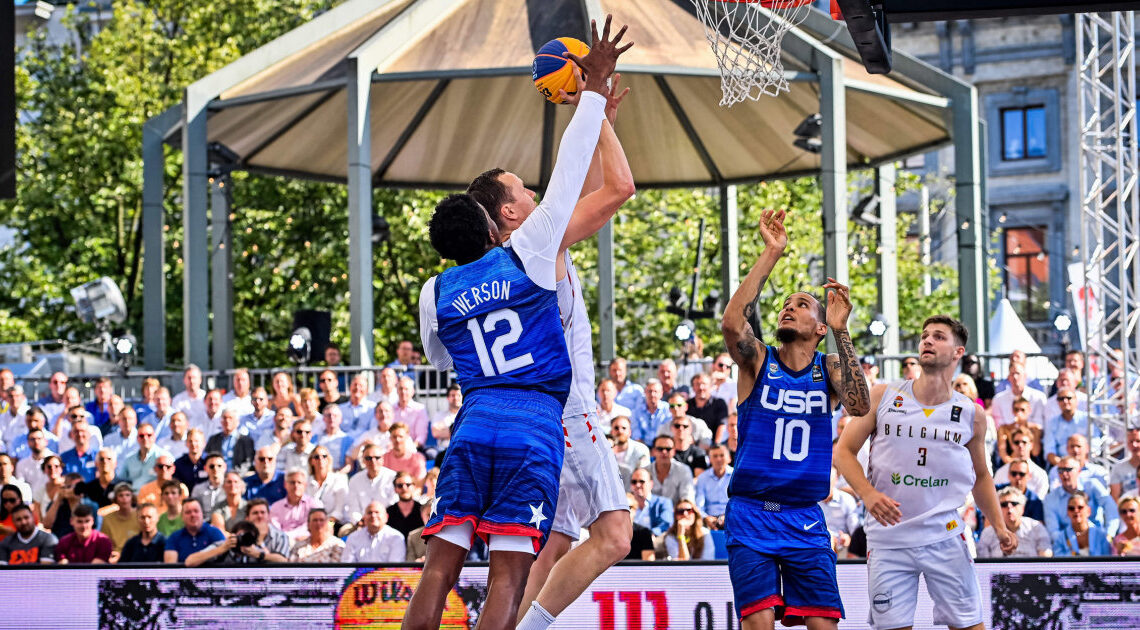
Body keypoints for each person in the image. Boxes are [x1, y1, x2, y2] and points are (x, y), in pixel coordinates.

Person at [406, 21, 626, 630]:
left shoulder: (435, 290)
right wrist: (594, 94)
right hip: (538, 418)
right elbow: (577, 173)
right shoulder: (529, 251)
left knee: (441, 566)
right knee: (517, 567)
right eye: (521, 191)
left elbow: (444, 358)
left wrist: (595, 105)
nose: (532, 193)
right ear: (498, 220)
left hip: (474, 421)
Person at [720, 208, 871, 630]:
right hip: (751, 512)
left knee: (824, 625)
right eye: (786, 305)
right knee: (759, 622)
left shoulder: (830, 367)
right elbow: (733, 323)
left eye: (802, 305)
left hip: (804, 515)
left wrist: (842, 329)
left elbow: (859, 407)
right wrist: (772, 253)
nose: (789, 308)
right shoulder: (758, 361)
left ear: (819, 327)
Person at [835, 315, 1015, 630]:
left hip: (943, 536)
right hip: (888, 539)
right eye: (924, 335)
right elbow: (843, 451)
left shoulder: (972, 414)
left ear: (958, 352)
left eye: (939, 337)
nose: (927, 341)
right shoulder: (883, 394)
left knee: (971, 626)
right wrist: (868, 493)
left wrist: (999, 527)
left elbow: (982, 476)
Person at [186, 499, 289, 565]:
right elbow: (190, 561)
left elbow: (284, 562)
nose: (259, 516)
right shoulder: (224, 545)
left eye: (263, 512)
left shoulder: (257, 549)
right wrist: (222, 549)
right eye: (240, 536)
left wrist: (258, 554)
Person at [1043, 455, 1116, 537]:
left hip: (1097, 539)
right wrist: (1070, 544)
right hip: (1068, 542)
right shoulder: (1050, 498)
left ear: (1079, 471)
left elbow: (1112, 511)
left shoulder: (1092, 485)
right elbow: (1053, 531)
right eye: (1060, 470)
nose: (1064, 473)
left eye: (1068, 469)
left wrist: (1109, 535)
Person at [977, 487, 1051, 558]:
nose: (1009, 507)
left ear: (1023, 508)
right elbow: (983, 563)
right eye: (1004, 504)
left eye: (1014, 503)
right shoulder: (988, 532)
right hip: (999, 570)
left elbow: (1046, 556)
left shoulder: (1036, 527)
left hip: (1030, 570)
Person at [1044, 388, 1100, 466]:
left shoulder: (1087, 419)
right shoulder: (1052, 423)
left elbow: (1095, 444)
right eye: (1061, 399)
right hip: (1061, 467)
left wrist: (1082, 463)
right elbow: (1049, 451)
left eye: (1069, 398)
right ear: (1057, 402)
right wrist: (1065, 466)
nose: (1065, 401)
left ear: (1076, 400)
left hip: (1087, 463)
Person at [344, 443, 397, 526]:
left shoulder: (393, 478)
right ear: (363, 460)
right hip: (362, 524)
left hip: (388, 523)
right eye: (368, 458)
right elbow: (353, 508)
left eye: (377, 457)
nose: (373, 461)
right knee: (344, 531)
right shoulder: (355, 480)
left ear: (382, 459)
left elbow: (394, 504)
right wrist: (360, 522)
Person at [164, 498, 226, 563]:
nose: (193, 515)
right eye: (188, 512)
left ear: (202, 514)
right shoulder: (174, 537)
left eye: (196, 511)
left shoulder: (215, 533)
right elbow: (170, 568)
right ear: (182, 516)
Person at [993, 429, 1049, 498]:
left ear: (1031, 445)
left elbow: (1039, 501)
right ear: (1012, 445)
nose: (1020, 445)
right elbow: (995, 498)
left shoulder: (1041, 474)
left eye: (1024, 442)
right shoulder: (1001, 472)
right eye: (1017, 442)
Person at [1053, 491, 1112, 556]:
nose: (1076, 511)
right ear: (1067, 512)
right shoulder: (1060, 539)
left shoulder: (1101, 536)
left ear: (1088, 511)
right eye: (1071, 508)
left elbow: (1107, 562)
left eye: (1080, 507)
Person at [269, 468, 321, 542]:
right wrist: (287, 538)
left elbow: (312, 526)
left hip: (307, 542)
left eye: (299, 482)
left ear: (305, 485)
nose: (296, 486)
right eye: (292, 482)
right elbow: (274, 529)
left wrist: (290, 536)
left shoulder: (314, 505)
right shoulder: (276, 506)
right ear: (285, 484)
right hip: (281, 542)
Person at [991, 362, 1048, 427]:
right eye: (1012, 374)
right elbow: (999, 428)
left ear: (1025, 376)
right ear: (1008, 377)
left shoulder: (1039, 397)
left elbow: (1040, 426)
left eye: (1018, 373)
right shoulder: (998, 400)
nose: (1015, 377)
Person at [118, 422, 167, 491]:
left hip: (154, 497)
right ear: (137, 438)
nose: (145, 438)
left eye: (149, 435)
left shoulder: (164, 457)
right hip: (133, 497)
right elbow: (121, 480)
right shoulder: (129, 459)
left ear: (154, 437)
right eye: (141, 436)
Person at [995, 397, 1043, 465]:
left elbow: (1035, 452)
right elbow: (1003, 454)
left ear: (1029, 410)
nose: (1019, 413)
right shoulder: (1004, 428)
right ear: (1012, 411)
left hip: (1031, 463)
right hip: (1010, 464)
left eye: (1022, 410)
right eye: (1016, 410)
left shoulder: (1035, 428)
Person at [306, 445, 348, 524]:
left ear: (329, 459)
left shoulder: (339, 479)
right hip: (311, 523)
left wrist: (328, 524)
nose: (320, 459)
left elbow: (339, 509)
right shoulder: (305, 482)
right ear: (311, 461)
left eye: (324, 456)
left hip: (334, 523)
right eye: (316, 457)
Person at [649, 436, 694, 508]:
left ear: (674, 451)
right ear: (653, 451)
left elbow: (687, 500)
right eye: (660, 449)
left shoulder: (684, 471)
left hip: (677, 514)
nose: (664, 452)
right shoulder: (644, 472)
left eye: (668, 449)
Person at [206, 408, 256, 473]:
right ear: (221, 421)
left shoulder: (246, 440)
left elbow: (248, 462)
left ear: (237, 422)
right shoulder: (213, 439)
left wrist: (235, 475)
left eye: (230, 418)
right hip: (217, 476)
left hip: (238, 477)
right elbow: (208, 458)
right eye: (224, 418)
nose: (227, 421)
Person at [695, 444, 732, 529]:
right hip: (708, 520)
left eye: (722, 455)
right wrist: (705, 518)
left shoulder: (736, 476)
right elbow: (699, 505)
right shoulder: (702, 478)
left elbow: (739, 502)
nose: (718, 459)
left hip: (732, 518)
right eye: (715, 456)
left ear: (729, 458)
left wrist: (728, 517)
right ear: (710, 459)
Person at [610, 415, 649, 490]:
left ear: (630, 432)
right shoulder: (604, 451)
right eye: (616, 428)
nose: (620, 431)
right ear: (611, 432)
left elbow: (642, 477)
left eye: (624, 428)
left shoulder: (641, 450)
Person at [688, 373, 729, 443]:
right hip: (693, 445)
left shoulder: (719, 403)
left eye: (704, 384)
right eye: (697, 384)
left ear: (710, 386)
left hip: (715, 443)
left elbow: (722, 425)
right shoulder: (687, 405)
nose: (701, 387)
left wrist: (716, 445)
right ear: (693, 387)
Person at [99, 482, 138, 556]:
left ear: (132, 497)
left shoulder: (140, 515)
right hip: (115, 556)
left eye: (127, 495)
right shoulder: (107, 518)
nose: (124, 498)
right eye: (121, 495)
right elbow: (105, 542)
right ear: (115, 499)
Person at [629, 468, 671, 536]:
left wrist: (650, 535)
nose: (637, 485)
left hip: (653, 543)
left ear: (651, 484)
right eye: (634, 482)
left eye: (641, 481)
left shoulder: (663, 503)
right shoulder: (626, 505)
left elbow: (666, 524)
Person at [392, 377, 430, 448]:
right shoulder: (390, 409)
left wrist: (411, 448)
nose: (403, 392)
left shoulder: (420, 409)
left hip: (414, 448)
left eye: (406, 389)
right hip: (393, 447)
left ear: (412, 391)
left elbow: (421, 436)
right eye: (400, 389)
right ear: (397, 391)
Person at [387, 472, 425, 538]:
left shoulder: (423, 510)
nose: (404, 488)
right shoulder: (388, 512)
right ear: (395, 489)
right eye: (400, 485)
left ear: (414, 487)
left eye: (408, 485)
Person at [1112, 427, 1140, 501]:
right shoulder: (1118, 468)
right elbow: (1115, 497)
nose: (1134, 445)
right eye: (1131, 441)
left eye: (1138, 441)